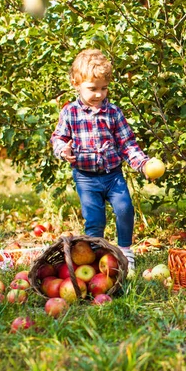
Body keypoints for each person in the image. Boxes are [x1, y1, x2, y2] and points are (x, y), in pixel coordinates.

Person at [51, 49, 158, 271]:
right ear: (75, 83)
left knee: (125, 209)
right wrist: (63, 150)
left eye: (103, 88)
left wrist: (143, 164)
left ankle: (125, 252)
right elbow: (58, 138)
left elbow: (127, 144)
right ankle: (95, 255)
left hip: (113, 175)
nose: (99, 94)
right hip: (86, 177)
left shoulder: (113, 113)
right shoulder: (70, 112)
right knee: (94, 220)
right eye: (92, 89)